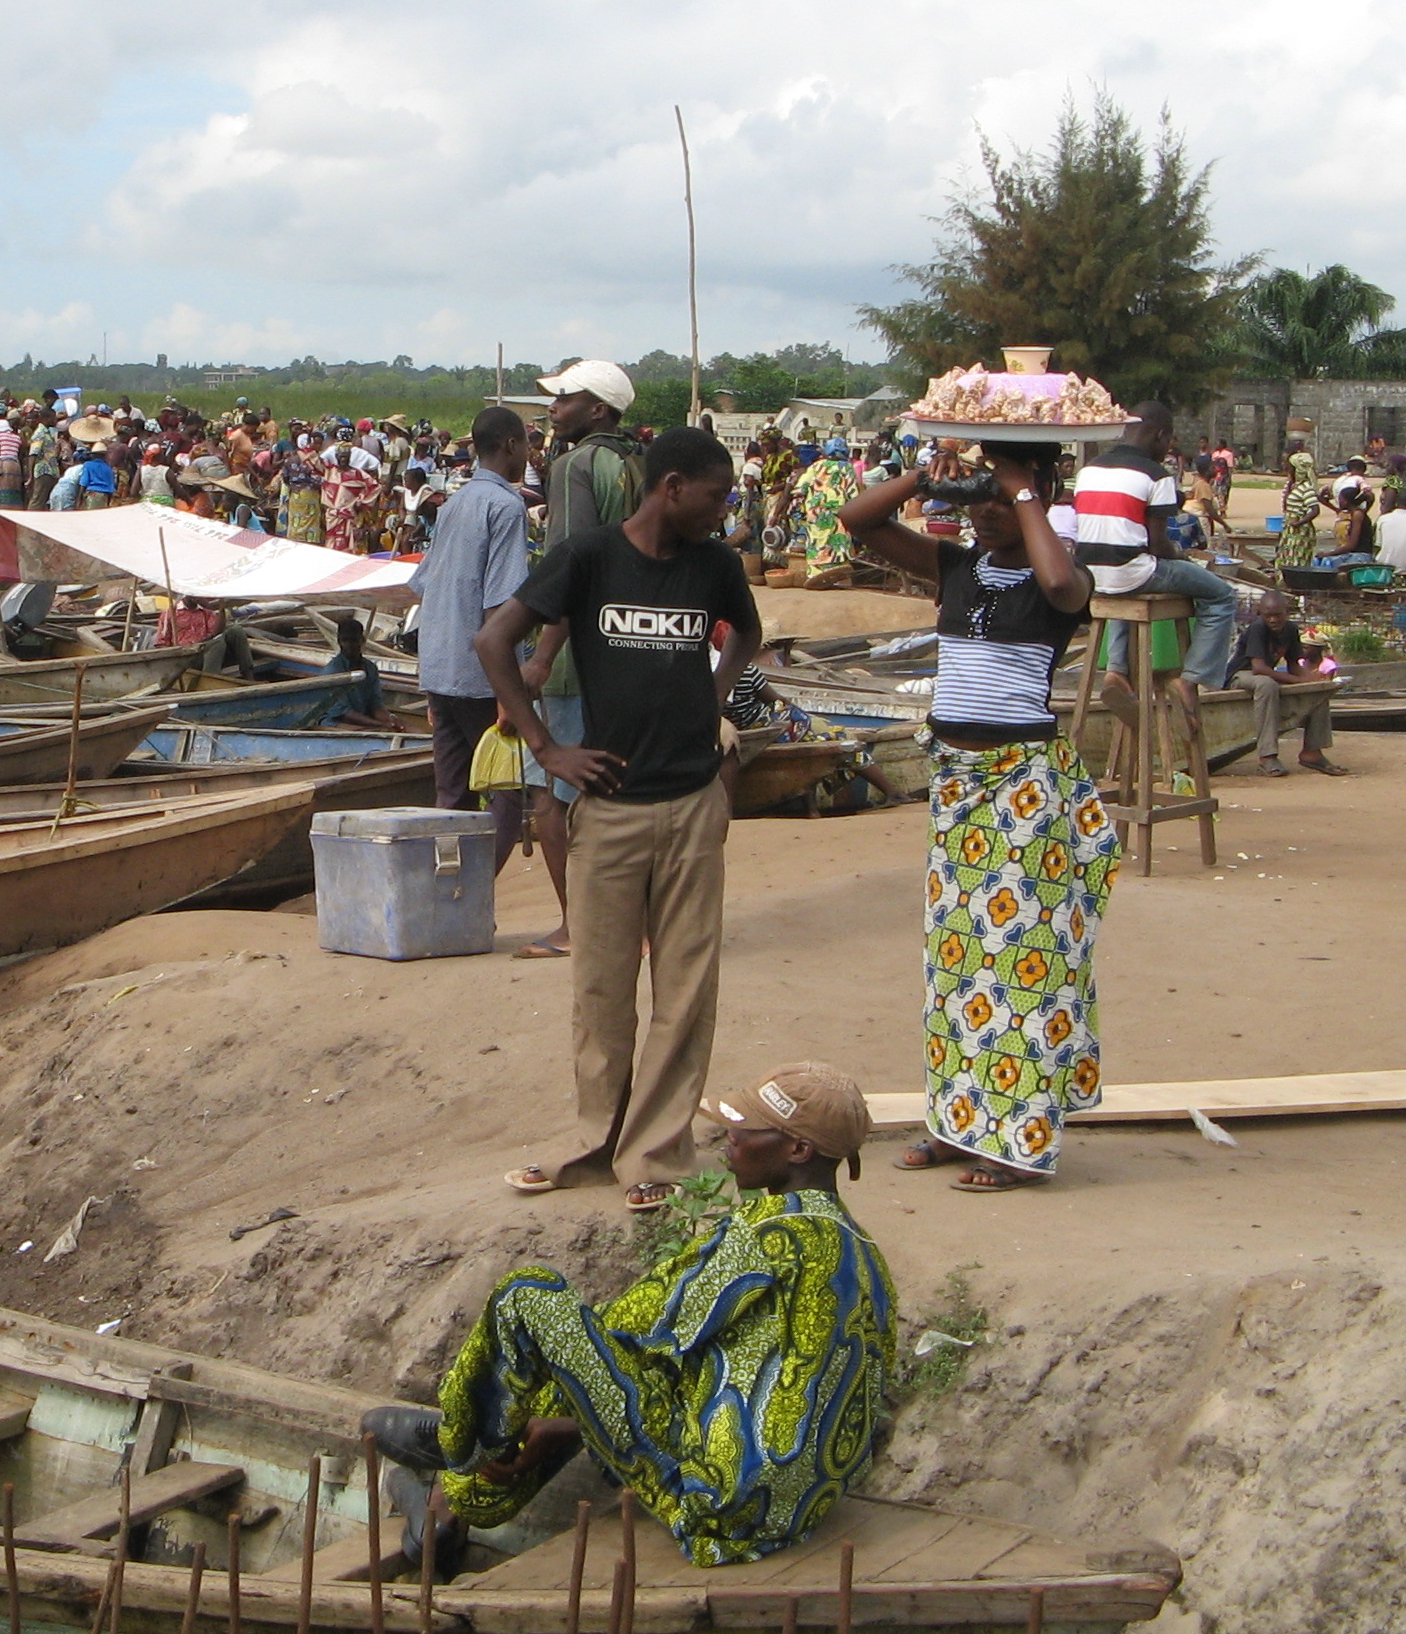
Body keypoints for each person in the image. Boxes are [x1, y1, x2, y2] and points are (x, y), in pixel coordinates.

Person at [359, 1060, 894, 1570]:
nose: (728, 1136)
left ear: (798, 1149)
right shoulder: (864, 1252)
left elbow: (636, 1328)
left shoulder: (772, 1233)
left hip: (721, 1509)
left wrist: (562, 1401)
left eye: (748, 1128)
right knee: (587, 1371)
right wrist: (573, 1422)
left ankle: (459, 1452)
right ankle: (453, 1500)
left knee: (531, 1299)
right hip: (793, 1510)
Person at [477, 426, 758, 1212]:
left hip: (694, 804)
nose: (724, 508)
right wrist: (546, 748)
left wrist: (713, 700)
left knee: (685, 990)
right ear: (671, 487)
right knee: (601, 989)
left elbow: (749, 636)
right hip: (610, 812)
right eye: (715, 494)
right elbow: (494, 640)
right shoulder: (592, 557)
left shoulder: (715, 566)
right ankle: (594, 1147)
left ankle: (656, 1158)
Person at [840, 443, 1114, 1192]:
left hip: (1023, 788)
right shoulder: (955, 568)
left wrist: (1024, 493)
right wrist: (929, 479)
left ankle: (1015, 1141)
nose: (988, 511)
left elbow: (1057, 580)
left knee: (1018, 964)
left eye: (1004, 497)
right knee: (956, 965)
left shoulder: (1067, 574)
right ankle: (956, 1126)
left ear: (1043, 491)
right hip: (957, 786)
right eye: (980, 499)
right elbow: (856, 520)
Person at [519, 359, 647, 960]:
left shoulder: (573, 467)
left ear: (596, 409)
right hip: (635, 647)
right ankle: (639, 925)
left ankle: (577, 926)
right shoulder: (636, 465)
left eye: (564, 398)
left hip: (577, 652)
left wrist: (542, 656)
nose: (552, 408)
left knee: (551, 795)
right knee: (625, 789)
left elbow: (570, 568)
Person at [413, 406, 535, 868]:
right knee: (504, 791)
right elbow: (500, 606)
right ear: (509, 446)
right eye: (525, 443)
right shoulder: (505, 506)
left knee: (452, 796)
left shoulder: (455, 503)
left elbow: (427, 586)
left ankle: (449, 902)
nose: (529, 452)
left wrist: (430, 678)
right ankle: (479, 891)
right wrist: (510, 691)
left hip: (441, 668)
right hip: (479, 676)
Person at [1068, 402, 1236, 692]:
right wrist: (1181, 556)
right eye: (1169, 441)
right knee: (1222, 596)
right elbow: (1159, 547)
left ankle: (1116, 669)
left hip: (1091, 575)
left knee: (1126, 578)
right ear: (1160, 435)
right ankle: (1193, 676)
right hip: (1131, 573)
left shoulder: (1089, 470)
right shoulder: (1156, 475)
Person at [1233, 590, 1346, 776]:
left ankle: (1312, 752)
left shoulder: (1291, 630)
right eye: (1268, 615)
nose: (1273, 620)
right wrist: (1298, 680)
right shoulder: (1257, 629)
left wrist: (1313, 680)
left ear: (1286, 613)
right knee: (1267, 684)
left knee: (1318, 689)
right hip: (1240, 676)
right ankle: (1267, 756)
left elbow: (1294, 664)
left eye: (1277, 615)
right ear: (1261, 615)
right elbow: (1259, 668)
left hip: (1265, 677)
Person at [1273, 449, 1322, 570]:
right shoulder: (1291, 486)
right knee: (1284, 558)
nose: (1287, 469)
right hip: (1289, 527)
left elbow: (1315, 510)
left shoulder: (1306, 488)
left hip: (1300, 530)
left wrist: (1299, 523)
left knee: (1296, 561)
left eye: (1290, 467)